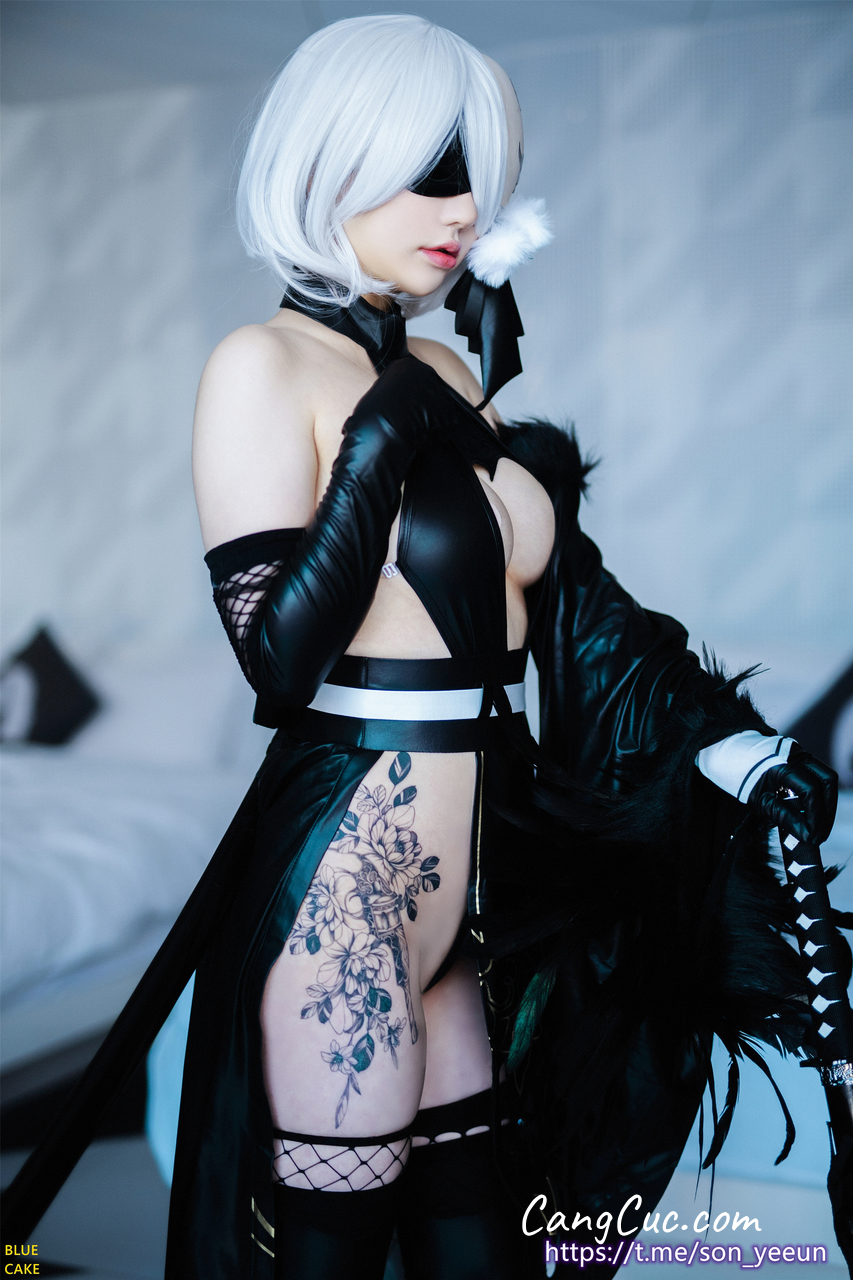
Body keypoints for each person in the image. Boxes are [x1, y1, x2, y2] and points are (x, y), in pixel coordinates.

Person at [0, 13, 840, 1280]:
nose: (463, 209)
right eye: (431, 171)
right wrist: (384, 431)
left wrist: (733, 746)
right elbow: (277, 660)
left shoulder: (448, 364)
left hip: (480, 892)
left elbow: (574, 601)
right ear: (329, 159)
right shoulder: (260, 366)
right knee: (331, 1257)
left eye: (479, 178)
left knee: (482, 1250)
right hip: (349, 887)